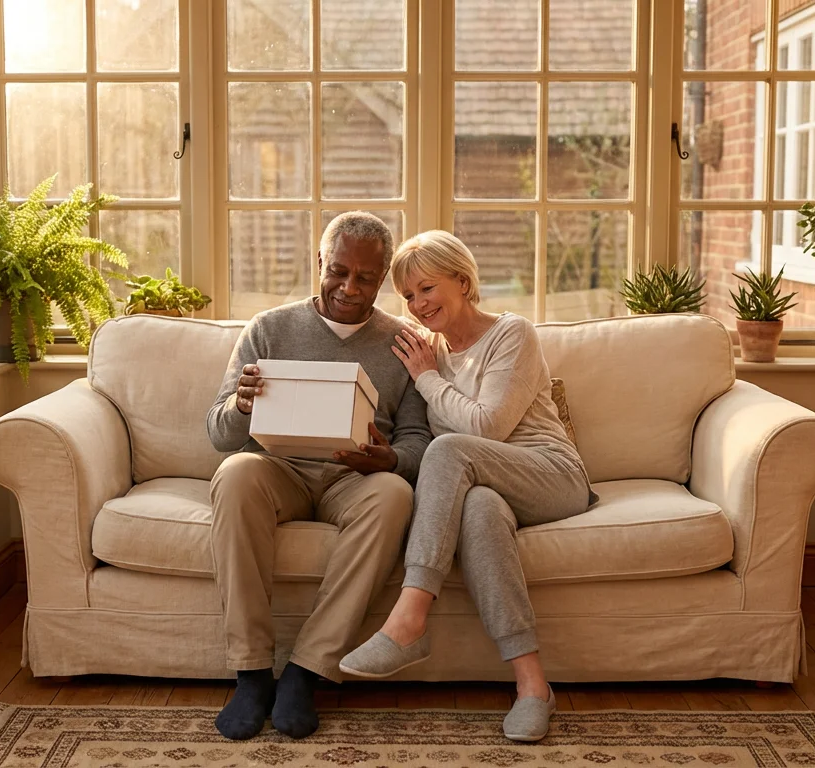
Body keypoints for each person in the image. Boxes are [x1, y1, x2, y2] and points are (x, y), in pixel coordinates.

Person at [338, 229, 595, 742]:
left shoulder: (511, 334)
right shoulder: (421, 350)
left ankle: (409, 620)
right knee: (476, 508)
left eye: (428, 288)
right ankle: (532, 687)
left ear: (462, 280)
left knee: (450, 448)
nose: (418, 304)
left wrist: (430, 379)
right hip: (487, 485)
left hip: (550, 473)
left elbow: (485, 427)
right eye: (408, 296)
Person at [205, 212, 433, 741]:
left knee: (395, 496)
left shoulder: (403, 344)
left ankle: (306, 671)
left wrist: (391, 459)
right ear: (319, 264)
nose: (349, 288)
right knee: (235, 473)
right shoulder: (268, 328)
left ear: (384, 281)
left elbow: (419, 443)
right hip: (277, 469)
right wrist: (240, 407)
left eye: (366, 278)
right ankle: (252, 671)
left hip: (353, 478)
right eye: (338, 271)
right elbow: (218, 435)